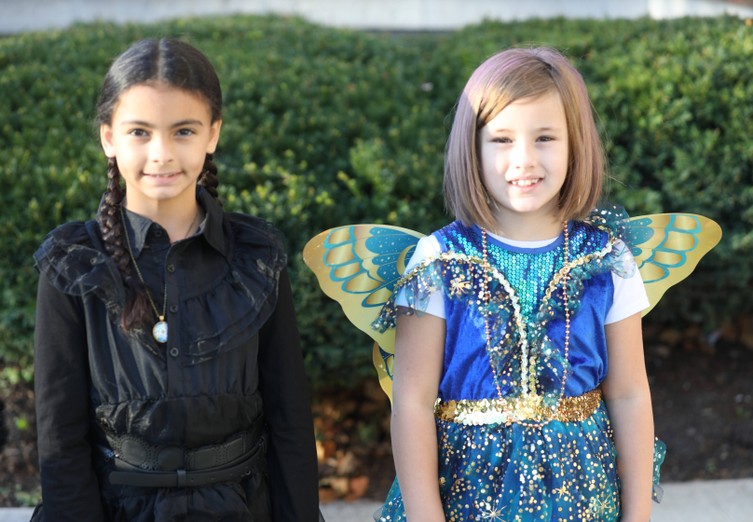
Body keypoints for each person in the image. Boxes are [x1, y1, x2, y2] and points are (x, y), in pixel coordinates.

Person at [32, 38, 321, 521]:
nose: (162, 154)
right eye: (140, 132)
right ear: (108, 138)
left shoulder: (256, 257)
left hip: (242, 507)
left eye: (183, 131)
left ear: (213, 134)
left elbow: (290, 417)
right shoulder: (74, 263)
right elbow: (60, 439)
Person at [374, 47, 663, 521]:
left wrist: (637, 516)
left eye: (545, 137)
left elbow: (630, 392)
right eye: (502, 139)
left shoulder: (608, 258)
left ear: (576, 144)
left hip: (584, 498)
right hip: (470, 498)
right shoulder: (441, 258)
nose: (524, 159)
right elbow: (411, 401)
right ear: (473, 147)